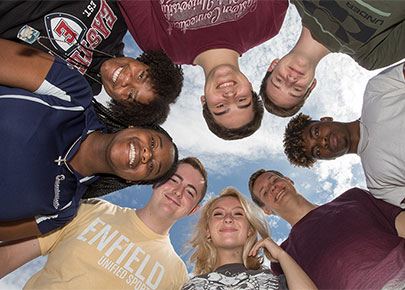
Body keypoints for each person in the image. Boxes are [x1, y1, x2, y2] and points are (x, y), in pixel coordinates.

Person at [0, 38, 178, 242]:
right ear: (134, 127)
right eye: (153, 143)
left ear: (133, 180)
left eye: (152, 166)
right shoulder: (72, 91)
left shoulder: (61, 211)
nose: (147, 154)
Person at [0, 157, 208, 290]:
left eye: (190, 192)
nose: (178, 192)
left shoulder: (177, 275)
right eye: (174, 180)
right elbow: (9, 255)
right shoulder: (91, 210)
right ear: (156, 182)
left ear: (193, 210)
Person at [118, 0, 289, 140]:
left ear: (204, 101)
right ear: (250, 87)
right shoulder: (269, 21)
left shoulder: (161, 47)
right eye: (242, 100)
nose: (230, 96)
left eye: (221, 105)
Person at [0, 0, 184, 125]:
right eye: (142, 75)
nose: (127, 79)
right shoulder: (119, 17)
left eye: (130, 95)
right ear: (147, 62)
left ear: (119, 104)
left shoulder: (72, 93)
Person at [283, 60, 405, 209]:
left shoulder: (378, 89)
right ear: (329, 158)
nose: (323, 142)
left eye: (316, 132)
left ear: (325, 119)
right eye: (317, 151)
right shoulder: (379, 186)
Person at [248, 169, 405, 289]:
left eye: (274, 180)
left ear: (289, 180)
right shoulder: (284, 256)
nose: (273, 188)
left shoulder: (354, 197)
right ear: (267, 210)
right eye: (264, 192)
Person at [260, 1, 405, 117]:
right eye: (296, 90)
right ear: (311, 85)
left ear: (273, 65)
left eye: (279, 80)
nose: (291, 80)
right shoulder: (371, 55)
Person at [182, 187, 316, 289]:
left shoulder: (273, 280)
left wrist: (282, 255)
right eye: (218, 214)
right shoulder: (193, 286)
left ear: (250, 230)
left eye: (238, 213)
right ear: (207, 230)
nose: (228, 219)